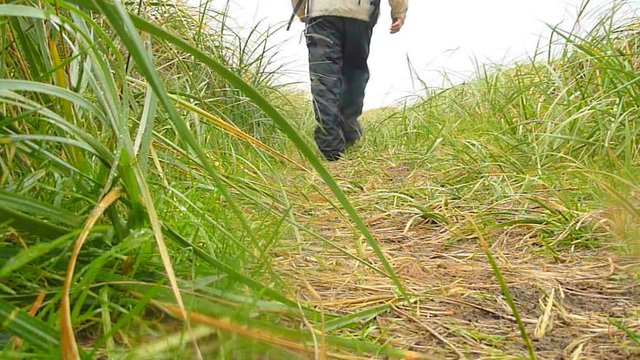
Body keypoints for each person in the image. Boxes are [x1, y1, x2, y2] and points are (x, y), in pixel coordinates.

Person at [290, 0, 408, 161]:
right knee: (354, 74)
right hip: (359, 13)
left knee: (324, 78)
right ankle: (348, 130)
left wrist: (303, 11)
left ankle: (331, 146)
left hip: (322, 13)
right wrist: (398, 12)